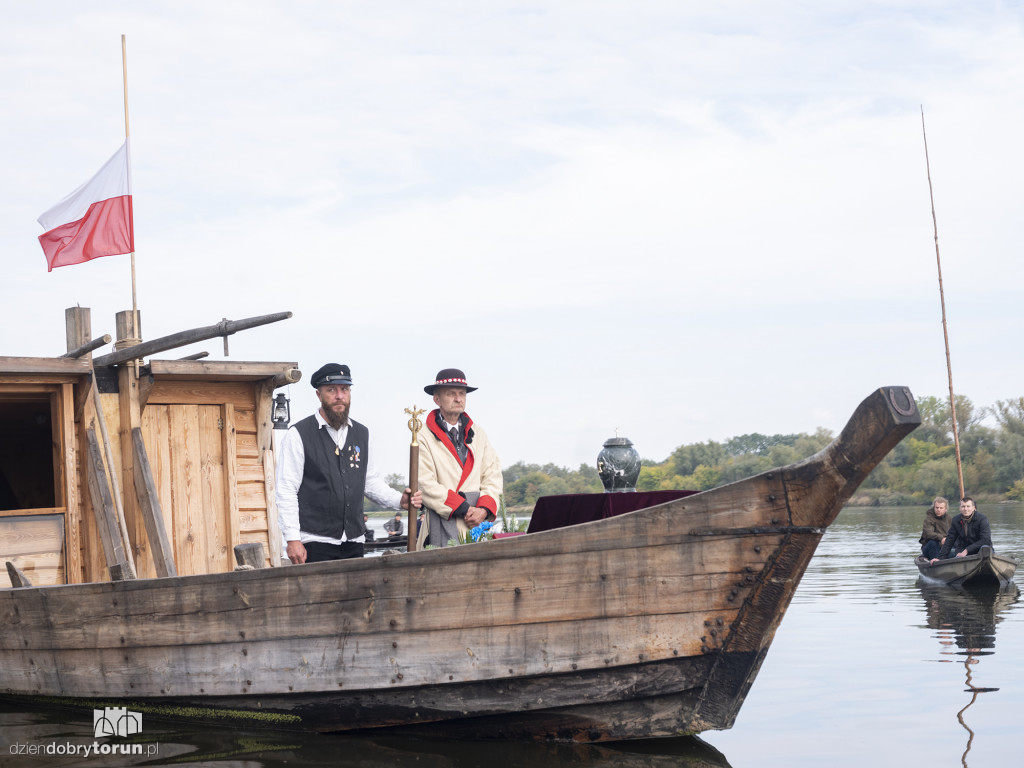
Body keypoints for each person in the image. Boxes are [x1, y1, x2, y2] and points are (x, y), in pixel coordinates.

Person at [276, 363, 421, 564]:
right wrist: (292, 539)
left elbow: (370, 481)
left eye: (344, 389)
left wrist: (399, 500)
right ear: (319, 395)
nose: (339, 396)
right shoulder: (298, 434)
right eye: (331, 390)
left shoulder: (361, 434)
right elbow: (286, 490)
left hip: (354, 540)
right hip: (314, 541)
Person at [416, 368, 502, 547]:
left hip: (475, 526)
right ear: (437, 399)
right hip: (440, 525)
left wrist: (483, 509)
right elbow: (424, 483)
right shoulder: (422, 435)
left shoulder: (479, 434)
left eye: (462, 393)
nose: (458, 399)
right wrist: (463, 508)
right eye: (451, 394)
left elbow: (492, 475)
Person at [931, 496, 992, 563]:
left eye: (968, 506)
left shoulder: (982, 519)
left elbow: (986, 540)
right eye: (963, 506)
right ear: (960, 508)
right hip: (963, 553)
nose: (965, 509)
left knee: (985, 548)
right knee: (950, 552)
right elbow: (950, 540)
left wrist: (967, 550)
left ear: (974, 508)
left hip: (980, 550)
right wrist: (940, 558)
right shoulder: (956, 520)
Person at [918, 496, 950, 560]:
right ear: (934, 507)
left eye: (941, 508)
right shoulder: (929, 519)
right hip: (929, 547)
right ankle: (936, 562)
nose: (938, 510)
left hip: (944, 547)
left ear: (945, 509)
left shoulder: (949, 519)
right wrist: (941, 538)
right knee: (933, 543)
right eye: (937, 507)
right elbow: (928, 533)